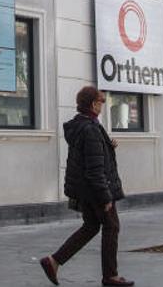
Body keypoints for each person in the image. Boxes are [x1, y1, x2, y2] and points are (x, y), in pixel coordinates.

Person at [40, 86, 133, 287]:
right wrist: (105, 197)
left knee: (91, 226)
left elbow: (90, 157)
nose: (102, 105)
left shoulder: (82, 126)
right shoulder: (90, 128)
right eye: (100, 101)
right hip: (95, 190)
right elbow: (95, 168)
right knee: (112, 226)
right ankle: (111, 276)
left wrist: (108, 146)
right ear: (93, 104)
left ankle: (54, 261)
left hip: (85, 190)